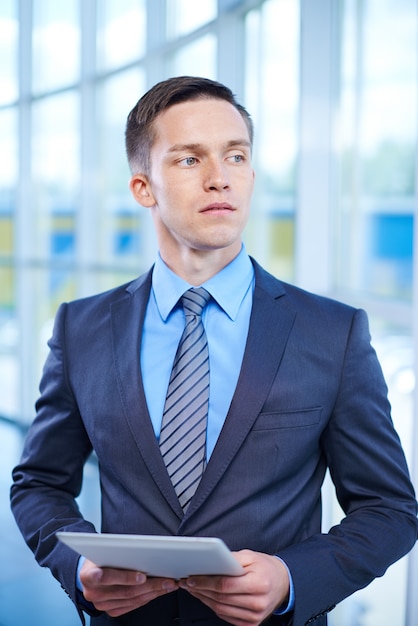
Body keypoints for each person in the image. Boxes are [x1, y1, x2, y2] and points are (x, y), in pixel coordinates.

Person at [10, 76, 417, 626]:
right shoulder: (82, 328)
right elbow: (39, 484)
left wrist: (292, 578)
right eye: (188, 160)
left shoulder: (332, 333)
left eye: (235, 155)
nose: (219, 178)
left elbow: (388, 508)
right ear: (143, 187)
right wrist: (77, 565)